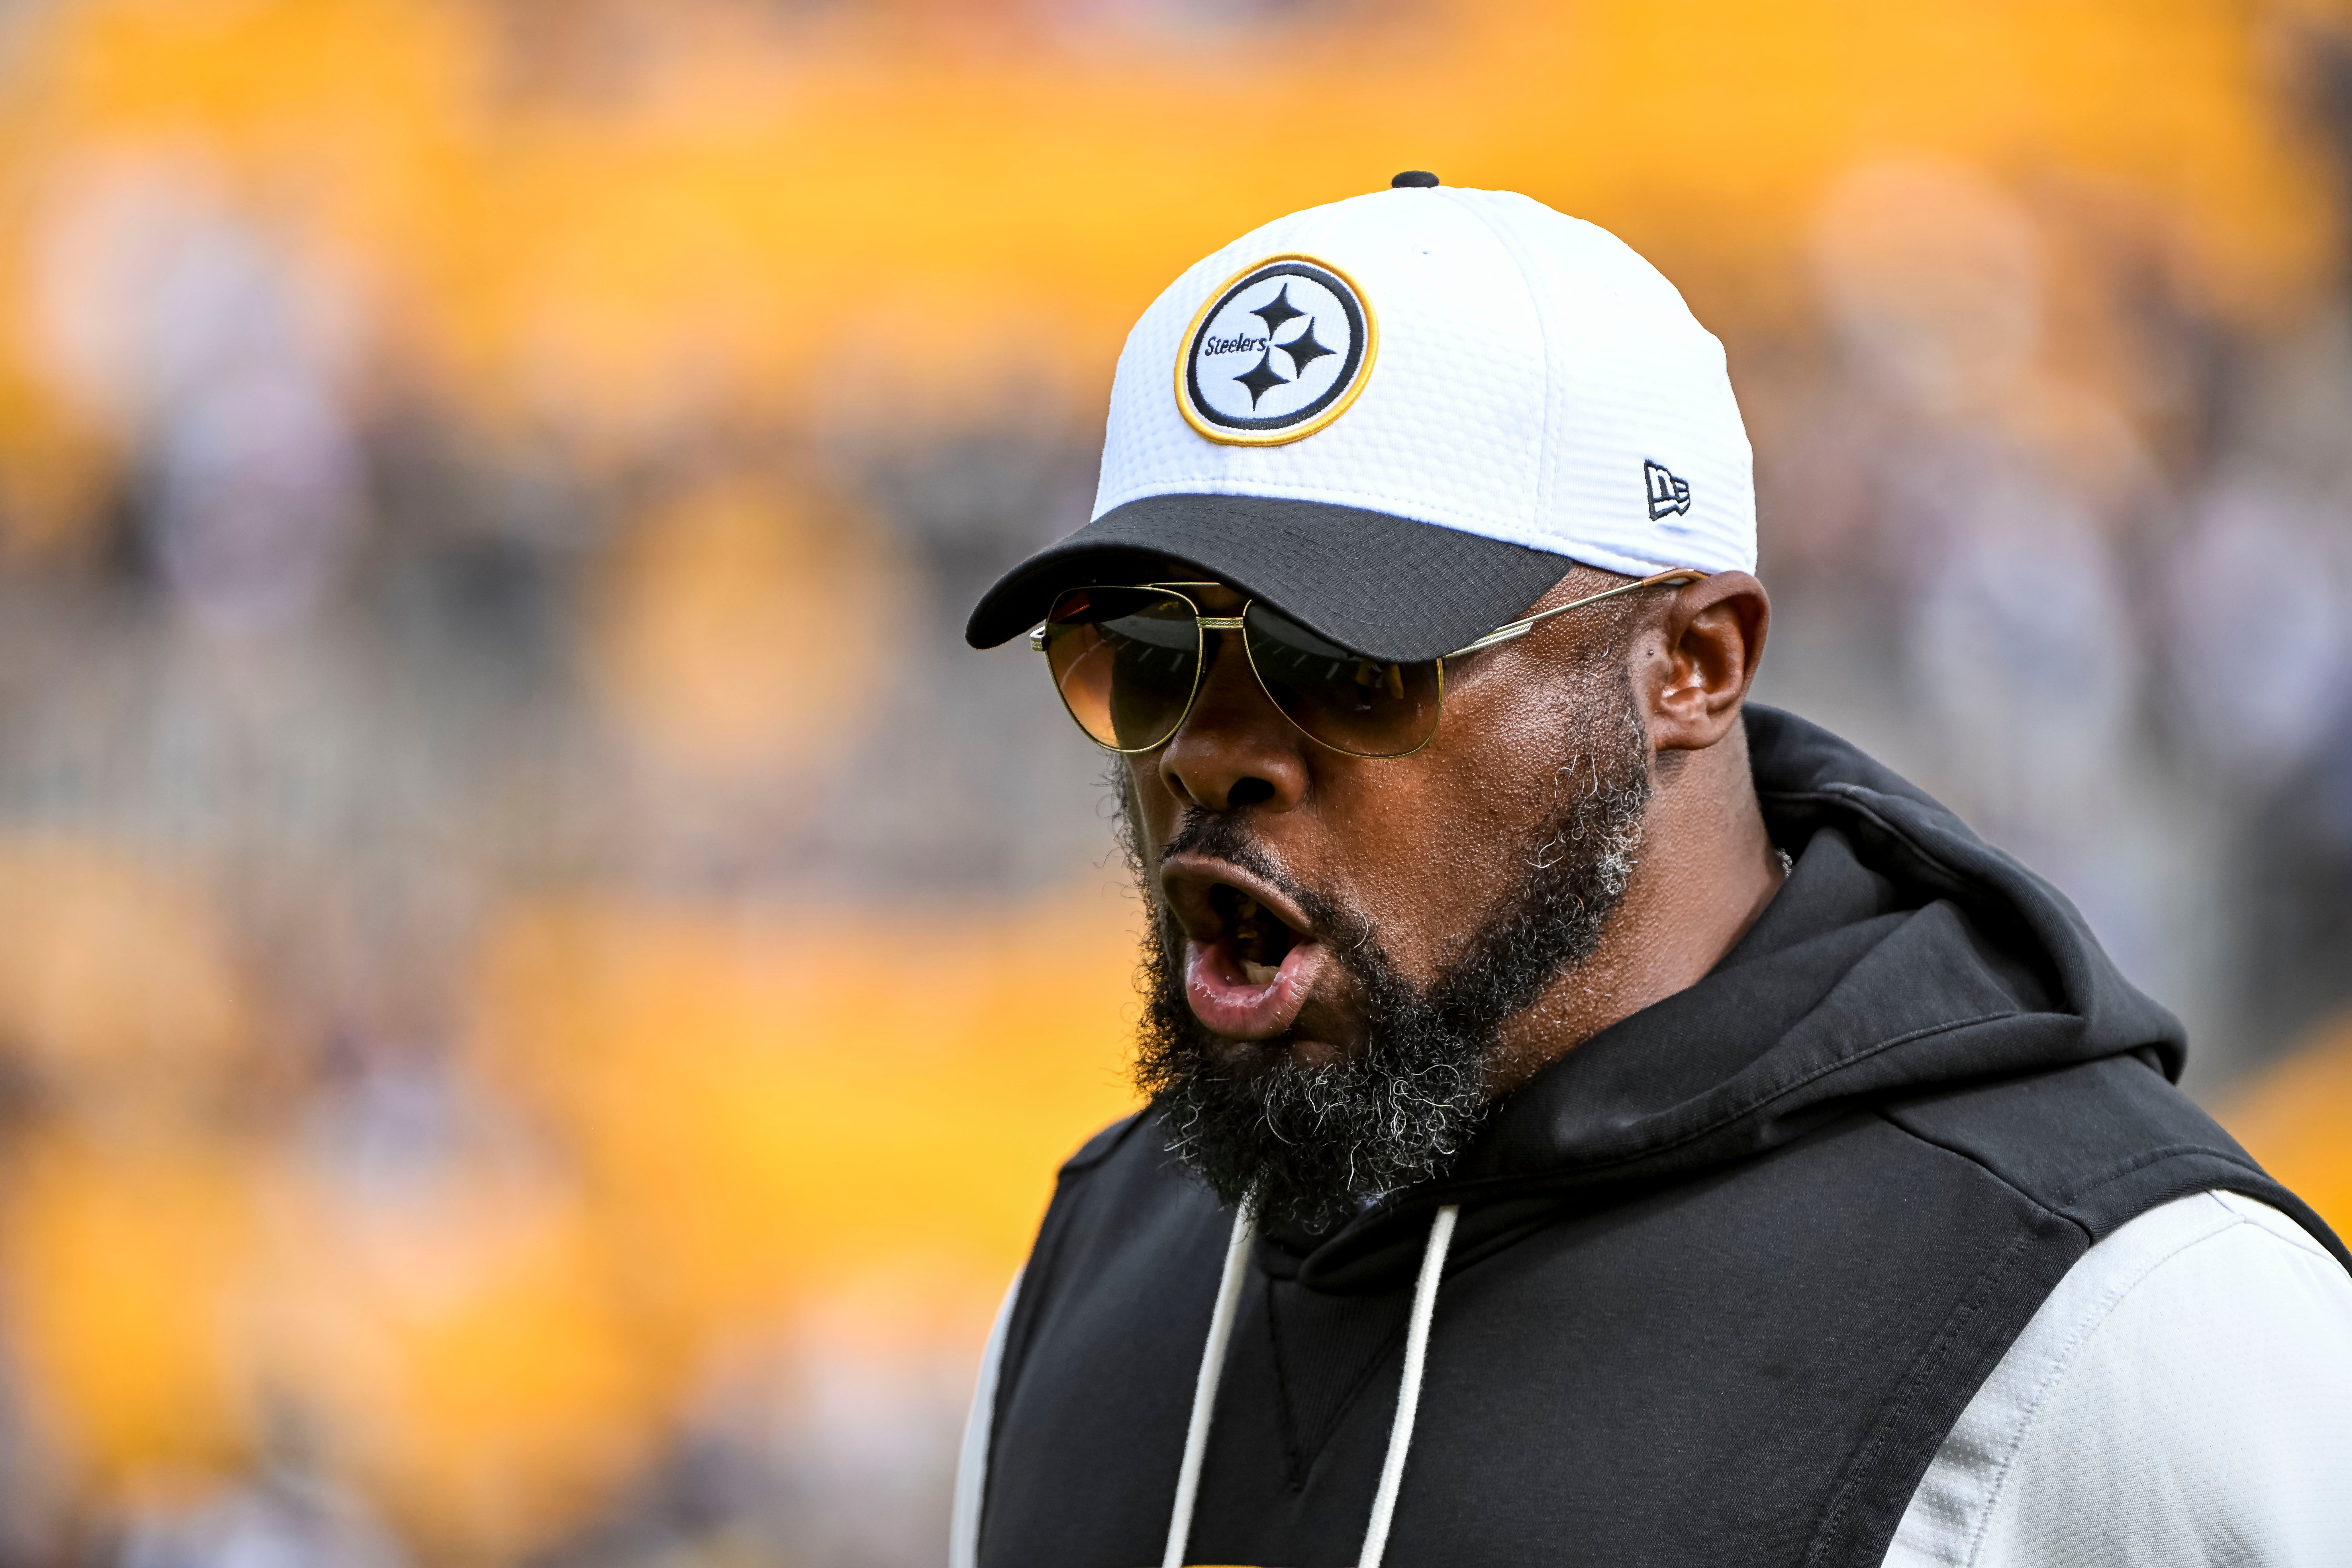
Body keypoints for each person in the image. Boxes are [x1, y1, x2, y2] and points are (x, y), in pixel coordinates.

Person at [948, 175, 2352, 1568]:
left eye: (1344, 664)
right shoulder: (1104, 1253)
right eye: (1146, 654)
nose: (1208, 754)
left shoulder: (2123, 1324)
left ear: (1691, 662)